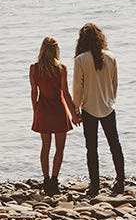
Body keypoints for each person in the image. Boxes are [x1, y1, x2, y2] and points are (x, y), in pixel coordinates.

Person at [71, 22, 124, 197]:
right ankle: (120, 180)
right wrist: (111, 99)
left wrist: (75, 109)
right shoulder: (111, 57)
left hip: (89, 109)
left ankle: (94, 185)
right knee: (114, 145)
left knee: (91, 148)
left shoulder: (80, 60)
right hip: (108, 107)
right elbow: (115, 84)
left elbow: (78, 88)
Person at [29, 36, 79, 196]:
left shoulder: (34, 68)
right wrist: (74, 114)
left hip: (43, 109)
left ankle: (46, 180)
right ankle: (54, 181)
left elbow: (34, 92)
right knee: (59, 148)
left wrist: (35, 110)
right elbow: (65, 92)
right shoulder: (61, 68)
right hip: (58, 109)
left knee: (45, 147)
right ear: (56, 50)